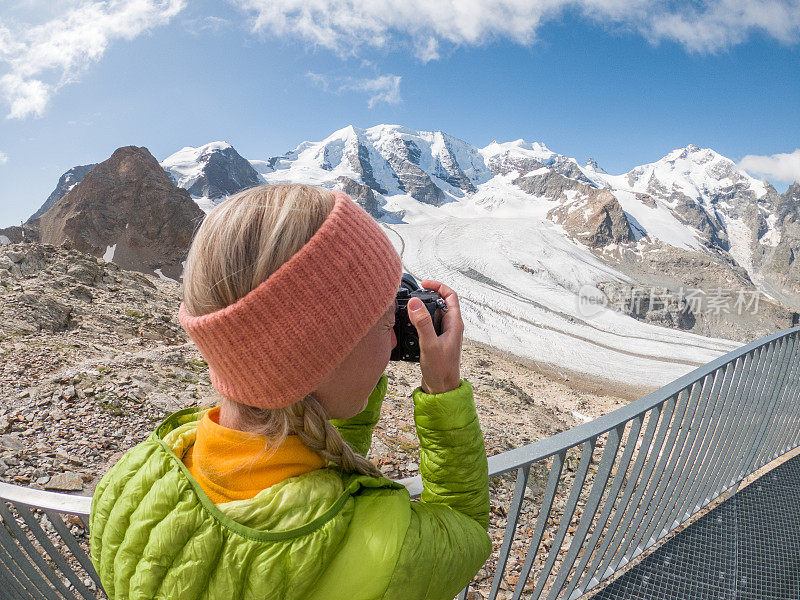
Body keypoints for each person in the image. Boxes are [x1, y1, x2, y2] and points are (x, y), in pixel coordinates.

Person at [89, 184, 491, 600]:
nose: (393, 344)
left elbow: (316, 441)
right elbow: (465, 526)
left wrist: (355, 363)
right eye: (386, 322)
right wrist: (443, 391)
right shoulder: (383, 548)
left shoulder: (128, 484)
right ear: (324, 354)